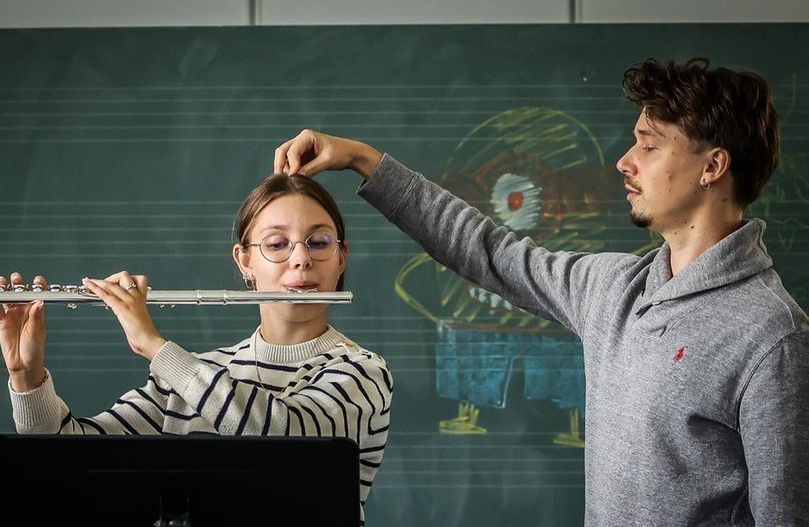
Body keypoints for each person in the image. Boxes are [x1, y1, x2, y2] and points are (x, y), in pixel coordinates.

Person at [273, 58, 809, 525]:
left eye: (648, 145)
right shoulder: (613, 289)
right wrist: (363, 160)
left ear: (713, 167)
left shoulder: (770, 335)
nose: (625, 161)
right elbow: (487, 249)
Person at [0, 174, 393, 525]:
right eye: (277, 244)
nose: (301, 259)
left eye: (319, 241)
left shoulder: (362, 372)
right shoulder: (192, 375)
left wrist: (153, 345)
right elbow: (70, 465)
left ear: (341, 257)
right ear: (244, 261)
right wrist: (28, 379)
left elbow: (288, 445)